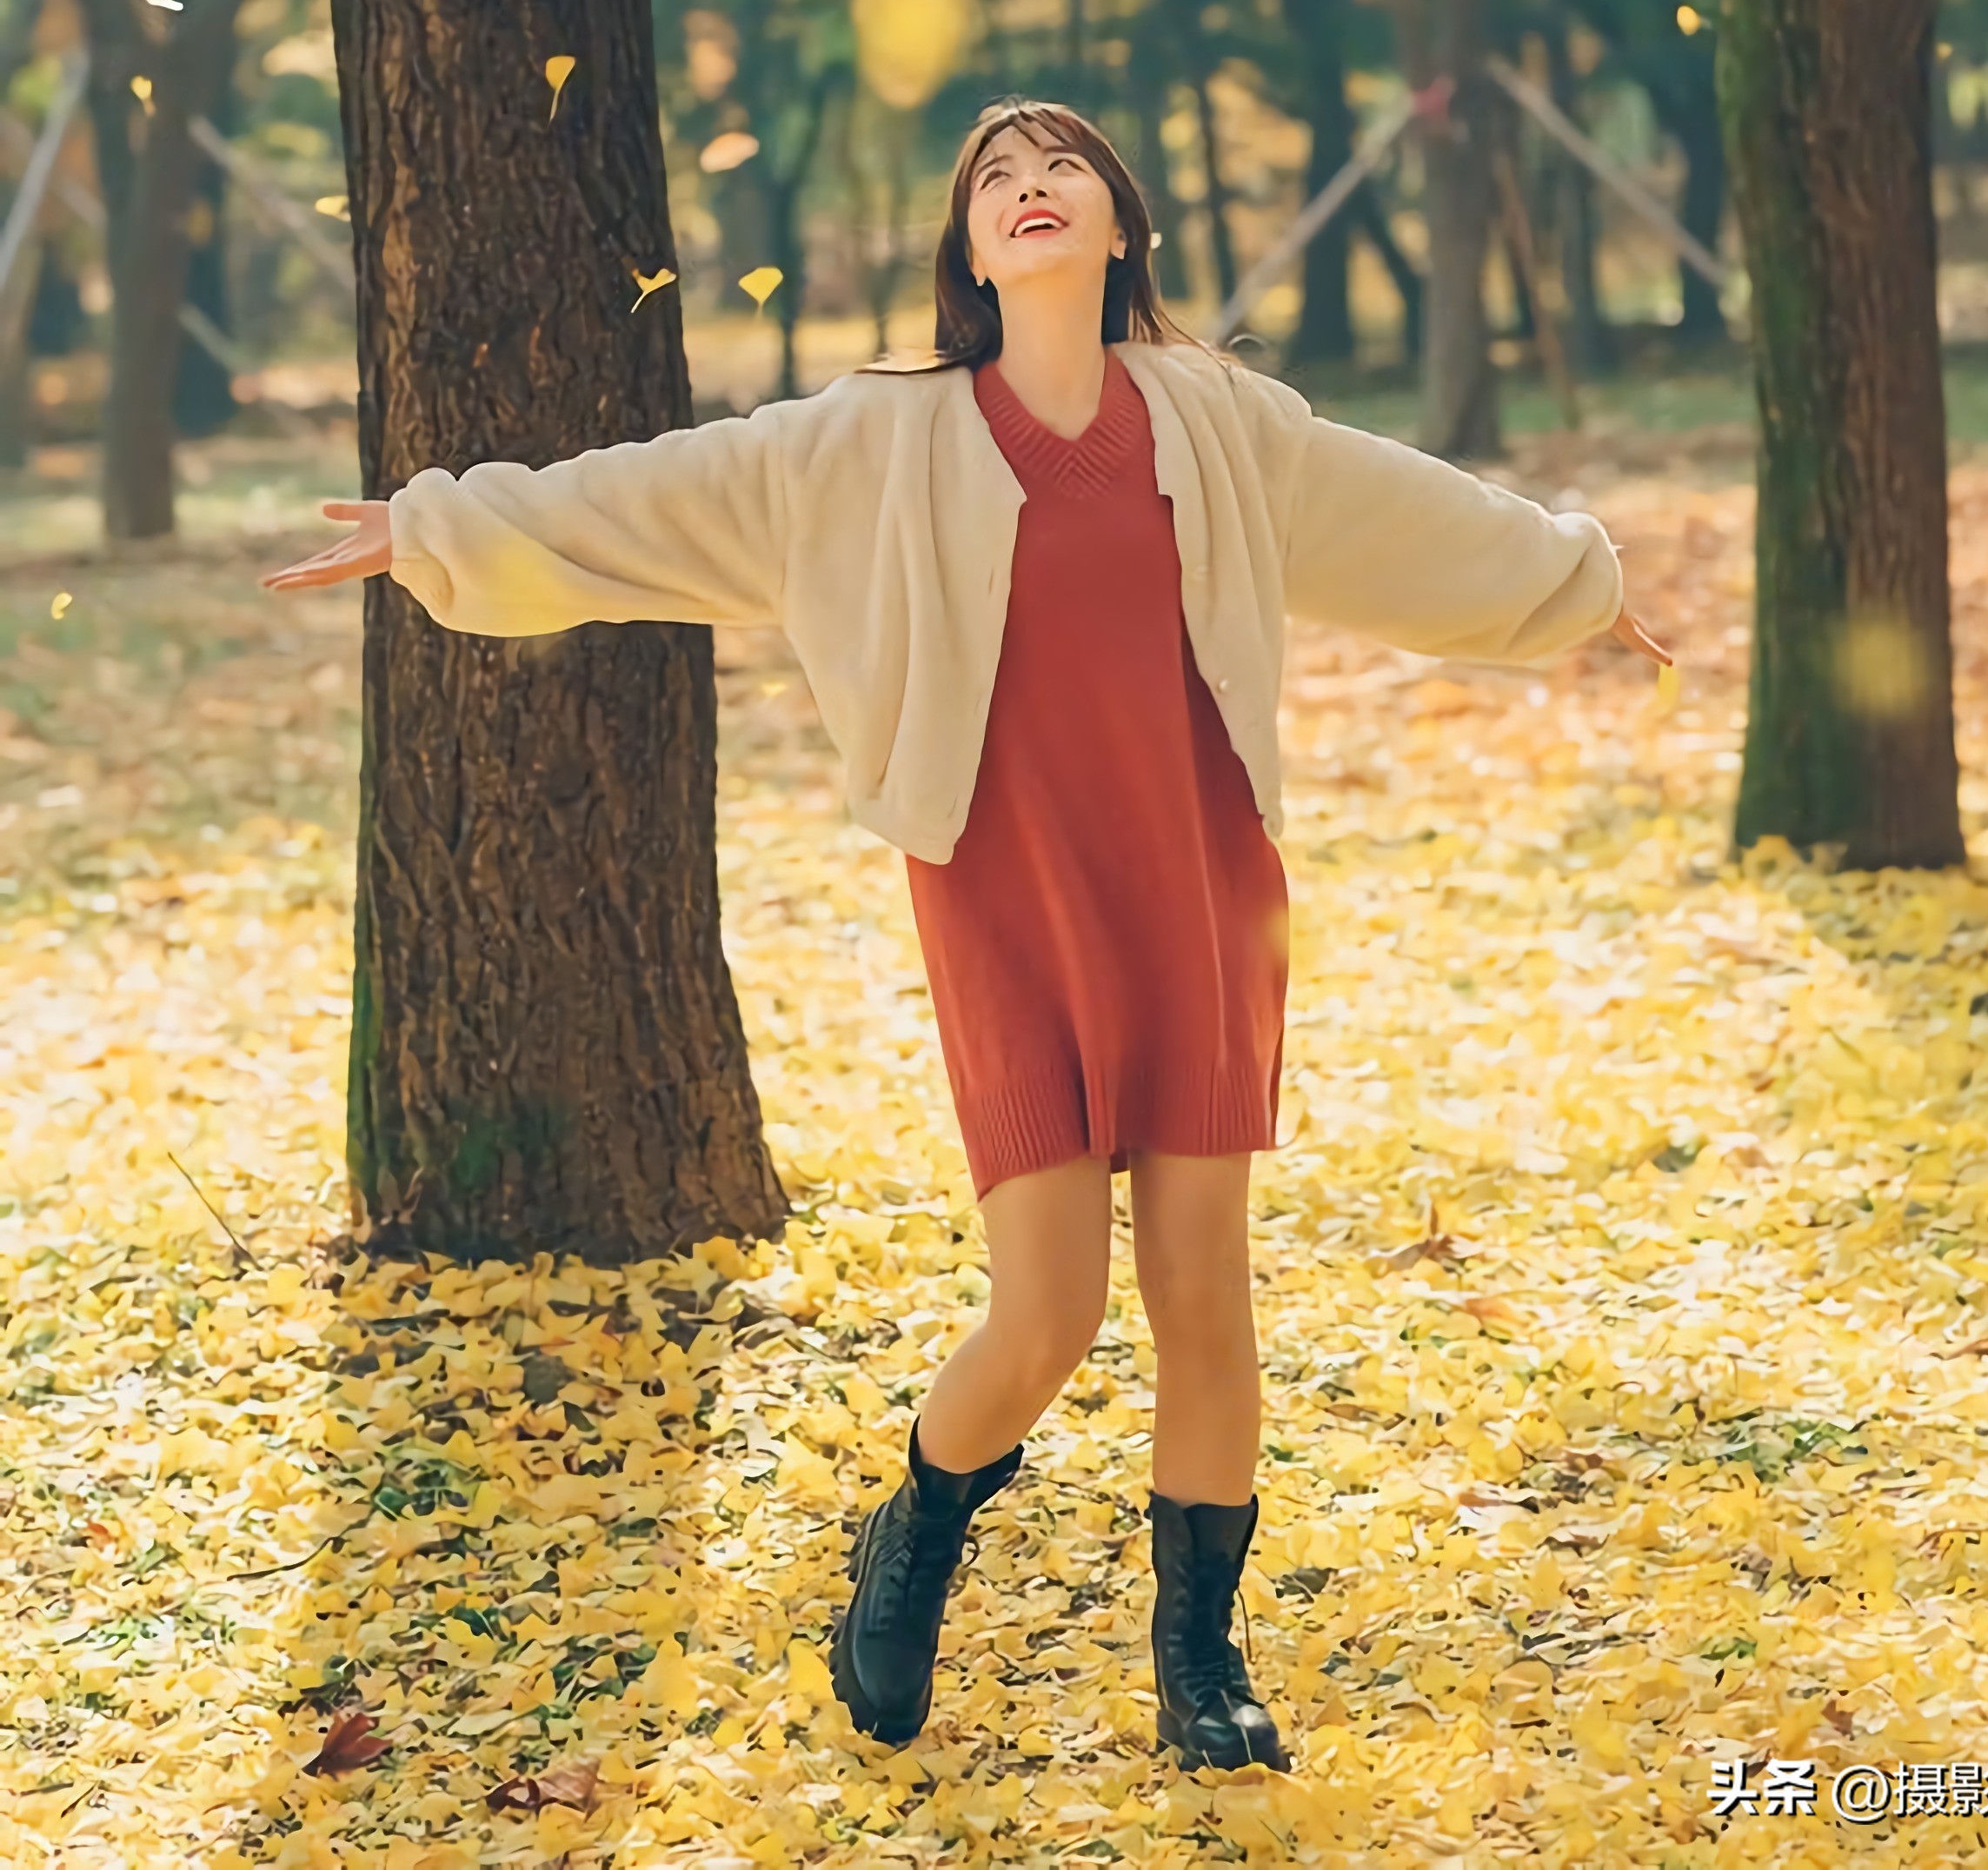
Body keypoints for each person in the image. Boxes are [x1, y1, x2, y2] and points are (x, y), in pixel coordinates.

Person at [265, 94, 1667, 1776]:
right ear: (970, 250)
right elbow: (668, 494)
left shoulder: (1219, 418)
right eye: (996, 176)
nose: (1030, 186)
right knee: (1049, 1310)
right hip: (1004, 896)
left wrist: (1577, 585)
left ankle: (1201, 1664)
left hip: (1200, 883)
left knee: (1204, 1300)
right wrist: (438, 526)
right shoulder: (878, 437)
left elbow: (1408, 520)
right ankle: (916, 1531)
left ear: (1120, 225)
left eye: (1062, 165)